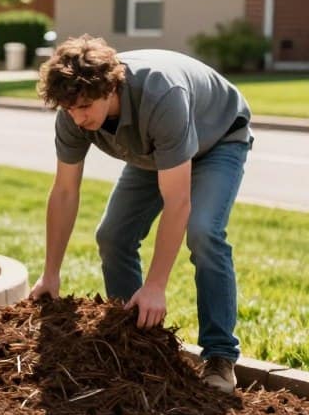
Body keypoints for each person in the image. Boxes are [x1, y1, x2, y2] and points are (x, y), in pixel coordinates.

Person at [30, 34, 252, 395]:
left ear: (110, 88)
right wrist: (50, 273)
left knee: (204, 233)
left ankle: (220, 356)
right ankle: (135, 341)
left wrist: (156, 285)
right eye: (68, 108)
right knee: (113, 236)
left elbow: (178, 200)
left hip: (216, 141)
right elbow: (65, 191)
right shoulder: (73, 112)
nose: (77, 116)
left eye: (84, 106)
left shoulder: (161, 95)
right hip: (155, 152)